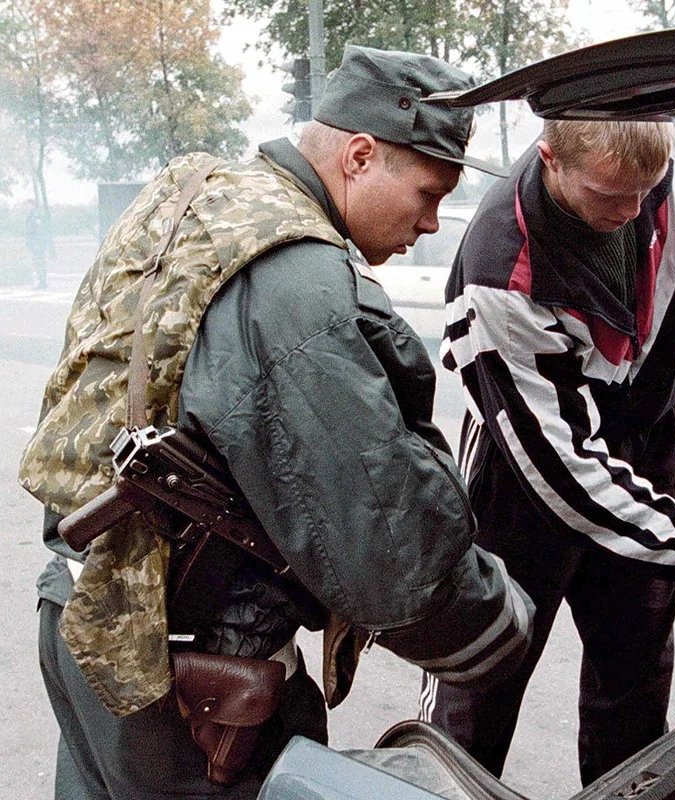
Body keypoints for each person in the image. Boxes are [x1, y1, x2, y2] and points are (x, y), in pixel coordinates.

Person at [19, 46, 532, 800]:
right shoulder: (295, 276)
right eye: (427, 192)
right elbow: (381, 534)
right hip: (193, 682)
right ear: (360, 156)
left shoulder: (199, 192)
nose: (429, 224)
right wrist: (497, 626)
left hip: (88, 614)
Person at [426, 119, 675, 784]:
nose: (633, 211)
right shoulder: (498, 271)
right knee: (475, 699)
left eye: (646, 190)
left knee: (632, 708)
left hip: (643, 461)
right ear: (551, 159)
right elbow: (563, 474)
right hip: (524, 486)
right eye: (610, 194)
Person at [25, 200, 49, 289]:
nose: (27, 207)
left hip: (37, 245)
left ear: (33, 205)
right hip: (35, 244)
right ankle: (41, 282)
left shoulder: (36, 216)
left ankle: (42, 283)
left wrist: (37, 244)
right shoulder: (32, 216)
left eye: (28, 205)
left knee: (39, 263)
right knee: (37, 263)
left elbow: (39, 231)